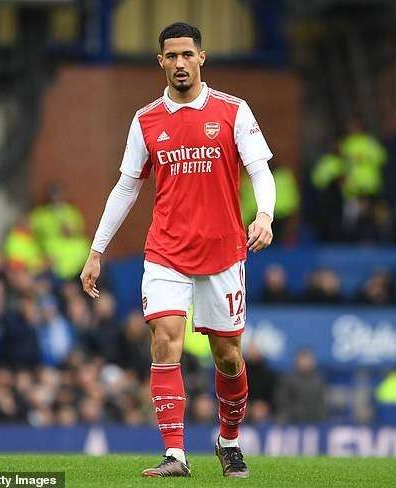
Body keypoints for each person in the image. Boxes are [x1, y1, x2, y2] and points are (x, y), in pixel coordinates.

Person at [80, 22, 275, 478]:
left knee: (228, 355)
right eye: (172, 56)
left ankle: (229, 441)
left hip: (223, 252)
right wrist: (96, 250)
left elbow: (260, 170)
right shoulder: (146, 120)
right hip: (166, 251)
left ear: (201, 58)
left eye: (188, 54)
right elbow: (127, 187)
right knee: (165, 340)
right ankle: (175, 454)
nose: (180, 63)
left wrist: (264, 214)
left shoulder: (233, 110)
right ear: (161, 62)